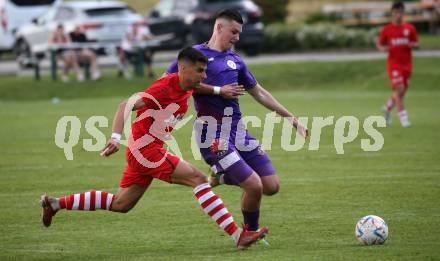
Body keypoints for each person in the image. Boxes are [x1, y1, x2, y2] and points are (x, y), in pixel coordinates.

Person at [40, 47, 268, 250]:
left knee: (121, 204)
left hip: (143, 152)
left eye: (204, 70)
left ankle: (57, 203)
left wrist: (219, 91)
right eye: (199, 70)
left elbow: (200, 87)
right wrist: (114, 137)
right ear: (182, 68)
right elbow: (125, 104)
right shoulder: (162, 89)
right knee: (199, 179)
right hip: (146, 152)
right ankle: (238, 236)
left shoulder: (187, 84)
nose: (204, 75)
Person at [166, 9, 309, 242]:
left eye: (240, 33)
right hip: (212, 134)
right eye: (234, 31)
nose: (237, 37)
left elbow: (259, 93)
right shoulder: (195, 55)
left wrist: (291, 118)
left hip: (238, 131)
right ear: (219, 27)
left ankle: (220, 177)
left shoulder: (236, 61)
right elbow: (172, 82)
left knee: (271, 185)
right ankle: (250, 231)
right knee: (254, 186)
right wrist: (217, 91)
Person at [376, 1, 418, 127]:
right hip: (394, 65)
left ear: (403, 13)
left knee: (401, 93)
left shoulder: (410, 28)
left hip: (407, 65)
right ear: (392, 13)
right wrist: (382, 49)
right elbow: (380, 44)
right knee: (399, 89)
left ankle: (387, 108)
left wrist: (412, 45)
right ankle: (404, 119)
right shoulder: (387, 29)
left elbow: (416, 43)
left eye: (401, 12)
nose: (398, 15)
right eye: (396, 12)